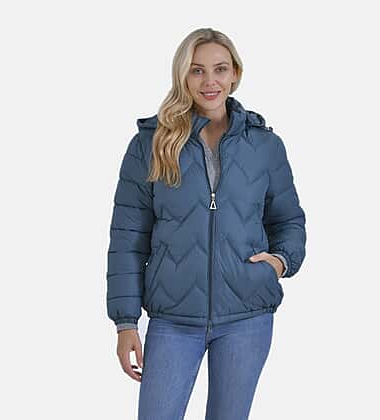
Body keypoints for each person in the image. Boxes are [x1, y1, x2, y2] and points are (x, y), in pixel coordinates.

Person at [106, 27, 307, 420]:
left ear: (235, 73)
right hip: (172, 320)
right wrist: (125, 322)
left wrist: (280, 262)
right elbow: (128, 239)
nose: (209, 81)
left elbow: (289, 221)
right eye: (197, 70)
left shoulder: (264, 145)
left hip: (247, 316)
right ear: (182, 75)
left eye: (220, 69)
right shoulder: (150, 144)